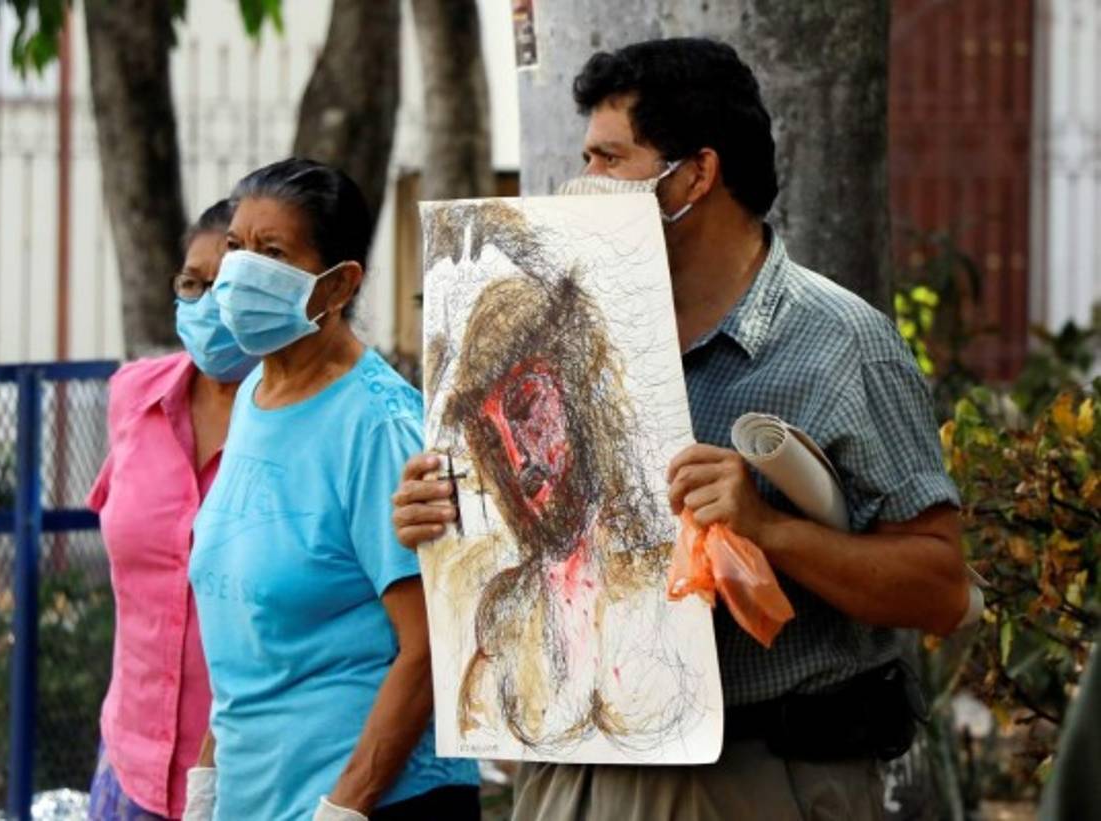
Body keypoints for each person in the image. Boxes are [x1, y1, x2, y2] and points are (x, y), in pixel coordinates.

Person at [391, 38, 972, 820]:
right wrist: (443, 518)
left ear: (696, 175)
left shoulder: (839, 344)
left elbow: (940, 587)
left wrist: (769, 528)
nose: (584, 183)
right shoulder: (567, 335)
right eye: (585, 158)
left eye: (610, 159)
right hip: (570, 772)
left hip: (761, 777)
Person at [184, 158, 481, 821]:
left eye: (273, 253)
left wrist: (344, 806)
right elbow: (249, 626)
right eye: (235, 246)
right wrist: (209, 771)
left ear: (340, 283)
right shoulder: (258, 398)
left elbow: (429, 645)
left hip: (377, 798)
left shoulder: (378, 425)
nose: (240, 270)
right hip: (256, 793)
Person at [87, 199, 255, 820]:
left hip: (249, 778)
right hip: (128, 765)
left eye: (228, 286)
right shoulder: (134, 395)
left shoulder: (303, 422)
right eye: (193, 283)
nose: (208, 302)